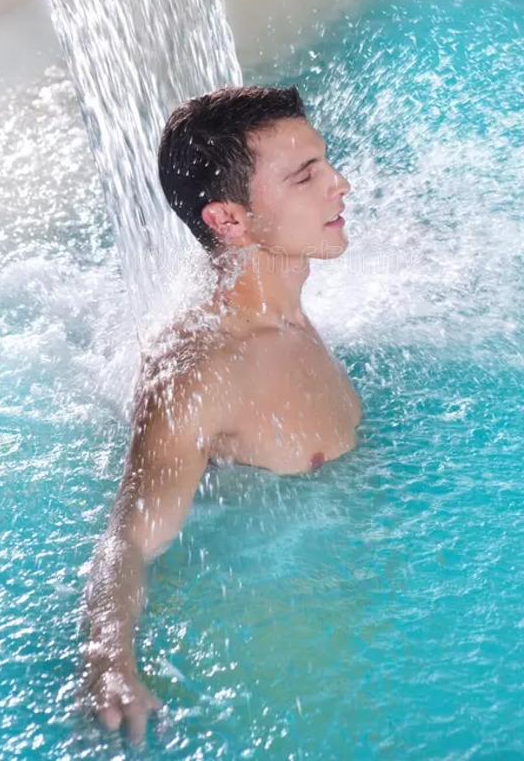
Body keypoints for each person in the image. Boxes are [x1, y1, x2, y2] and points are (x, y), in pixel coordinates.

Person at [80, 85, 362, 742]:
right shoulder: (200, 370)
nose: (340, 184)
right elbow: (128, 537)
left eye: (325, 161)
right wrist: (109, 663)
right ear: (229, 221)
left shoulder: (286, 305)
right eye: (306, 176)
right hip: (280, 679)